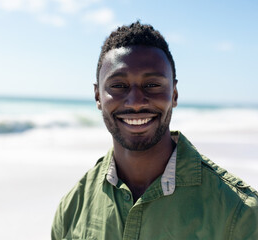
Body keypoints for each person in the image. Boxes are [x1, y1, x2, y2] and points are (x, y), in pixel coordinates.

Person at [51, 21, 258, 240]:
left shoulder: (239, 212)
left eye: (152, 85)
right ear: (98, 97)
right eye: (119, 86)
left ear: (174, 94)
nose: (136, 102)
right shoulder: (72, 208)